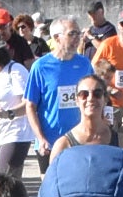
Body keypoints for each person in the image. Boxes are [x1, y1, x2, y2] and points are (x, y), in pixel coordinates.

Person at [23, 18, 95, 159]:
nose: (77, 38)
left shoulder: (85, 64)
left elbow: (95, 97)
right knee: (50, 181)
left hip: (79, 139)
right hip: (50, 142)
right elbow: (30, 106)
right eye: (72, 34)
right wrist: (40, 138)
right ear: (57, 37)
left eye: (79, 34)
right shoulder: (40, 66)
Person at [0, 33, 34, 174]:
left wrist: (8, 113)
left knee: (5, 176)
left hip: (14, 132)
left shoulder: (16, 70)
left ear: (0, 53)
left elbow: (28, 104)